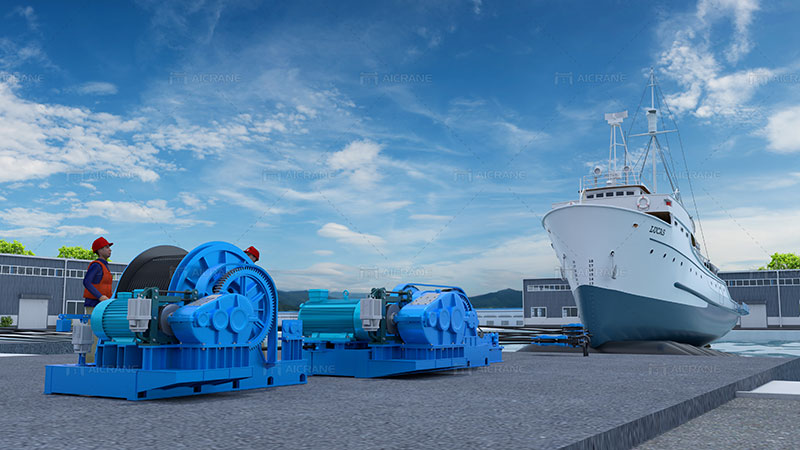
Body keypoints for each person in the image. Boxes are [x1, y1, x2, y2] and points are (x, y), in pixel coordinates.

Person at [82, 236, 113, 364]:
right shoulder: (96, 266)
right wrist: (100, 296)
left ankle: (99, 360)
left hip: (103, 306)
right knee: (94, 335)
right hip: (94, 305)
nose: (110, 250)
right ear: (99, 250)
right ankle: (90, 361)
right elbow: (87, 282)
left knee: (102, 333)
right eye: (106, 247)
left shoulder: (105, 266)